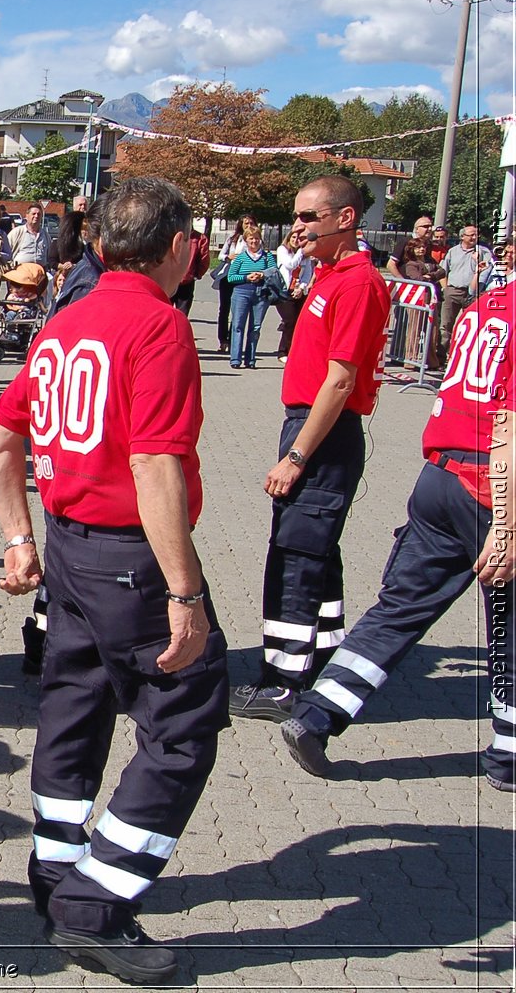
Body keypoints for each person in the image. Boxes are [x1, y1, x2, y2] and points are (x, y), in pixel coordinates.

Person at [0, 175, 228, 984]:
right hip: (129, 560)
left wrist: (21, 539)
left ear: (98, 247)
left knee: (74, 709)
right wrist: (185, 590)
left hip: (70, 551)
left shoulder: (66, 322)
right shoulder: (158, 326)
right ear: (183, 249)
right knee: (184, 726)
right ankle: (95, 905)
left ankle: (57, 874)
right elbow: (156, 463)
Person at [280, 277, 513, 790]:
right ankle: (508, 753)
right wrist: (507, 526)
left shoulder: (485, 305)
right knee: (509, 626)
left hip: (441, 477)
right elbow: (511, 426)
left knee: (399, 608)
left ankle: (319, 712)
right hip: (490, 484)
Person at [231, 175, 392, 722]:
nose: (296, 227)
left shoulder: (357, 283)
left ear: (344, 219)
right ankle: (321, 655)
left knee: (296, 555)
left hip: (323, 432)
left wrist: (297, 455)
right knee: (316, 550)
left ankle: (284, 678)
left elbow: (341, 380)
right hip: (308, 425)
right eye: (296, 218)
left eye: (307, 218)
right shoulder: (328, 275)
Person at [438, 225, 494, 360]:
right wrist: (446, 289)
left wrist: (478, 261)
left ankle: (461, 357)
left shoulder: (483, 252)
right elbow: (442, 271)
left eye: (476, 235)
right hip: (453, 291)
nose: (474, 237)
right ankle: (440, 356)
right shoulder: (452, 251)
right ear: (462, 236)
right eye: (471, 235)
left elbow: (486, 271)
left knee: (469, 326)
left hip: (473, 293)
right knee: (445, 326)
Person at [225, 224, 275, 369]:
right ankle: (235, 359)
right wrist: (247, 277)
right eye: (251, 239)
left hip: (261, 293)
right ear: (246, 241)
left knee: (255, 327)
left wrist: (262, 274)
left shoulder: (267, 257)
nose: (254, 242)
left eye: (257, 239)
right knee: (238, 325)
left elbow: (274, 271)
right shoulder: (241, 258)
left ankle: (250, 359)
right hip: (241, 292)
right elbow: (231, 277)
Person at [214, 215, 256, 355]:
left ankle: (234, 343)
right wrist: (228, 257)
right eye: (246, 223)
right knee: (224, 309)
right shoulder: (233, 238)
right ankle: (223, 340)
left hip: (243, 277)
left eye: (251, 223)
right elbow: (221, 255)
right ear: (240, 224)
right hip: (228, 276)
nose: (248, 225)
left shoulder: (254, 240)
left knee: (238, 312)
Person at [273, 230, 317, 361]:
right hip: (284, 291)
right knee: (289, 320)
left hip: (298, 292)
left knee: (298, 323)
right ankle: (282, 352)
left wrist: (302, 288)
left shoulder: (306, 257)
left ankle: (293, 351)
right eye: (293, 237)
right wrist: (302, 251)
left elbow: (307, 274)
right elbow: (291, 265)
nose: (296, 240)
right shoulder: (283, 250)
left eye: (299, 238)